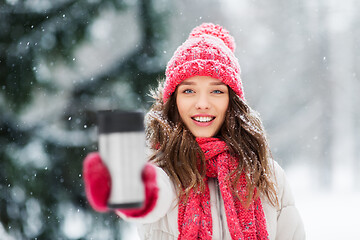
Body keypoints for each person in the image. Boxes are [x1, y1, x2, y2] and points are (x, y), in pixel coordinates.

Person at [83, 23, 305, 240]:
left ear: (232, 101)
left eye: (216, 91)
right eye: (189, 90)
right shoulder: (160, 166)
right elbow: (155, 192)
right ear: (173, 100)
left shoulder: (265, 172)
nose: (202, 103)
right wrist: (130, 186)